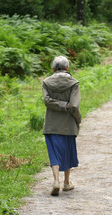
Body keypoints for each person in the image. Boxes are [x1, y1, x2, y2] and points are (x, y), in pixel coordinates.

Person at [42, 56, 81, 196]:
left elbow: (47, 101)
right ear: (67, 68)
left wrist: (59, 104)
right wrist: (77, 119)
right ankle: (66, 182)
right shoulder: (74, 83)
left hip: (51, 125)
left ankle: (56, 181)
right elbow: (74, 106)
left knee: (54, 154)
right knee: (67, 152)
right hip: (68, 124)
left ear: (53, 69)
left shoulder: (46, 82)